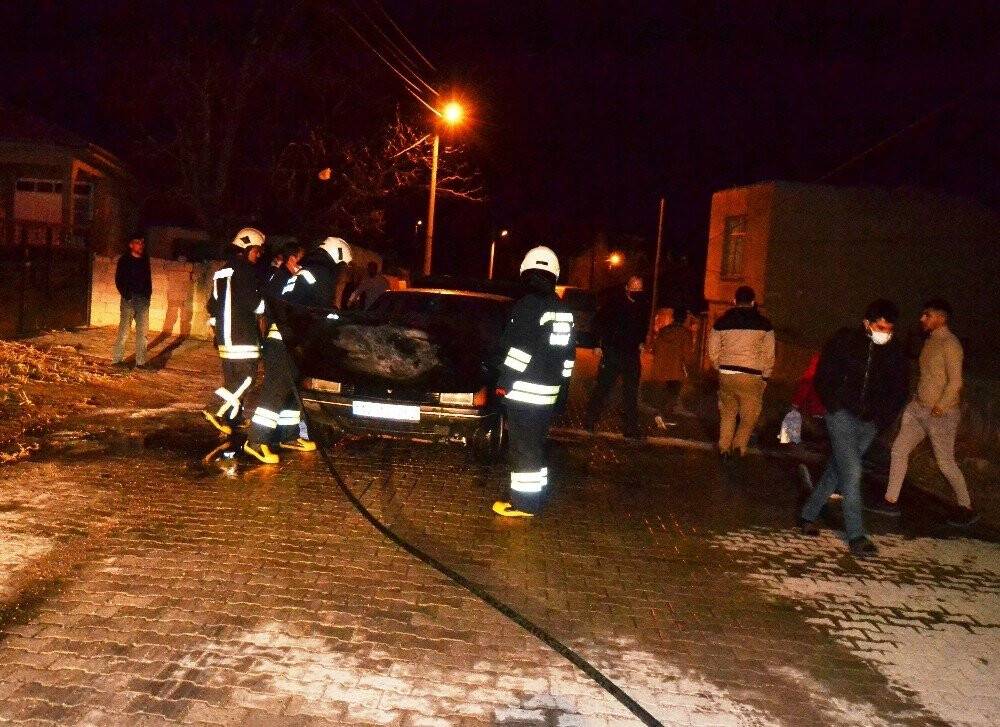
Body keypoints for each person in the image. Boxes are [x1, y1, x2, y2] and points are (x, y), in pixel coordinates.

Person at [798, 299, 909, 559]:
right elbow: (824, 375)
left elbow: (900, 390)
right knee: (853, 471)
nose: (885, 333)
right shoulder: (845, 341)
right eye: (880, 327)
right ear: (867, 323)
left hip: (870, 422)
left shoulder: (895, 352)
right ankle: (856, 535)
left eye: (889, 329)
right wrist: (833, 405)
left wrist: (882, 420)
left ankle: (808, 514)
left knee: (839, 468)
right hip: (842, 416)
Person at [243, 237, 352, 463]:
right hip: (286, 341)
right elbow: (323, 310)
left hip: (290, 341)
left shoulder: (308, 272)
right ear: (337, 256)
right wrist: (339, 322)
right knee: (276, 389)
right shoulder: (322, 274)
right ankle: (256, 440)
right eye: (343, 266)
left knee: (291, 391)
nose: (343, 272)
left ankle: (288, 435)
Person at [871, 299, 978, 526]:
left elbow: (956, 381)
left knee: (945, 463)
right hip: (919, 409)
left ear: (940, 317)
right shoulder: (931, 341)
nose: (922, 319)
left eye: (927, 315)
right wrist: (916, 403)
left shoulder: (951, 344)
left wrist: (941, 405)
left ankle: (966, 507)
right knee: (899, 450)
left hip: (941, 413)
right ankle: (890, 501)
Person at [493, 246, 575, 518]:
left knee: (523, 448)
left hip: (524, 393)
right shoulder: (562, 310)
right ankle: (534, 497)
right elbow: (568, 357)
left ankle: (524, 505)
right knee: (535, 446)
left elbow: (519, 351)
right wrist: (563, 389)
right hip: (548, 394)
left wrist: (504, 380)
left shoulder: (527, 306)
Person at [202, 227, 266, 436]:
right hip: (243, 336)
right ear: (246, 248)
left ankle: (233, 418)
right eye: (256, 250)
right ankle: (215, 409)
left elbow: (212, 304)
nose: (258, 255)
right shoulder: (246, 271)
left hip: (224, 337)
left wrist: (217, 328)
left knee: (233, 379)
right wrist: (268, 304)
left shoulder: (221, 271)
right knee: (247, 378)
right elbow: (256, 305)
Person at [707, 286, 775, 459]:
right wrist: (765, 376)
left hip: (727, 373)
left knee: (728, 412)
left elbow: (712, 349)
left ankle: (724, 448)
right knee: (749, 415)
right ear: (753, 303)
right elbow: (769, 355)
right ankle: (739, 447)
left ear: (734, 302)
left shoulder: (721, 322)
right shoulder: (765, 325)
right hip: (752, 375)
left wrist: (719, 365)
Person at [584, 275, 649, 439]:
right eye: (633, 288)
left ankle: (631, 428)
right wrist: (597, 344)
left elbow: (642, 326)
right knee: (603, 388)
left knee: (631, 392)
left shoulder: (642, 306)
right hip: (613, 352)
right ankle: (590, 420)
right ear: (627, 288)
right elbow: (598, 323)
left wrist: (641, 342)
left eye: (639, 288)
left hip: (632, 354)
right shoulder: (614, 304)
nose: (636, 291)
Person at [112, 234, 152, 367]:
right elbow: (119, 280)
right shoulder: (124, 260)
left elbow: (148, 279)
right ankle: (117, 360)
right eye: (137, 242)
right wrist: (126, 295)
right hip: (128, 300)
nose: (140, 245)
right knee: (124, 331)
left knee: (143, 333)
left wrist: (147, 296)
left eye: (142, 242)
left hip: (143, 300)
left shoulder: (145, 260)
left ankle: (140, 363)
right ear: (131, 245)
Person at [647, 307, 690, 428]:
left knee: (664, 392)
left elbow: (654, 348)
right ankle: (662, 415)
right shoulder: (685, 333)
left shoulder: (664, 330)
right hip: (676, 368)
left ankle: (662, 414)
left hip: (661, 366)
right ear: (685, 319)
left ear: (673, 317)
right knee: (673, 393)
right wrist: (688, 367)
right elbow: (687, 353)